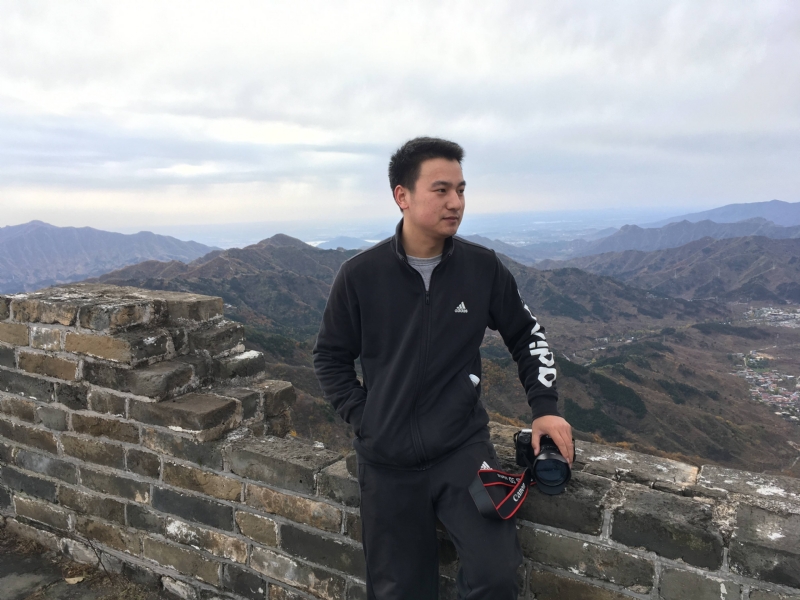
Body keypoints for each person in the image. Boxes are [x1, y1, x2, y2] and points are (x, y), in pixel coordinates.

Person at [313, 137, 573, 599]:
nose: (456, 202)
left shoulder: (481, 268)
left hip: (462, 452)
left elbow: (527, 335)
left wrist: (545, 408)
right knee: (398, 592)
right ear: (402, 196)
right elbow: (329, 357)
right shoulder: (360, 275)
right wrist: (367, 419)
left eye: (461, 189)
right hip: (387, 464)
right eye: (441, 190)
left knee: (495, 575)